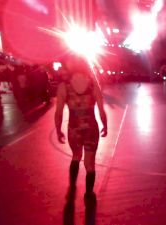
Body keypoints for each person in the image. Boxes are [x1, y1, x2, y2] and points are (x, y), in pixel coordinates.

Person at [55, 56, 107, 199]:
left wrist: (58, 130)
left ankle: (72, 186)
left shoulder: (63, 87)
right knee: (90, 164)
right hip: (91, 129)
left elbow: (58, 112)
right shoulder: (93, 84)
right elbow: (102, 111)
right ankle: (89, 193)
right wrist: (105, 125)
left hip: (74, 129)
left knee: (76, 156)